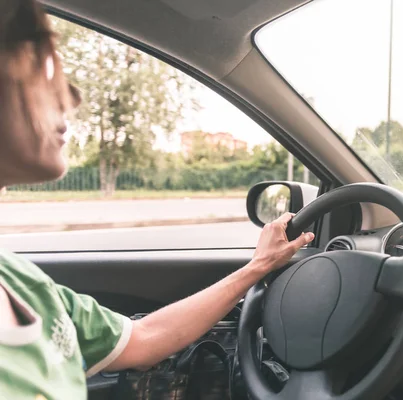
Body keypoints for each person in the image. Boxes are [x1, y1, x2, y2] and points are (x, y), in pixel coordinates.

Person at [0, 1, 315, 398]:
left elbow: (143, 339)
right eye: (40, 66)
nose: (72, 96)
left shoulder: (20, 281)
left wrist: (257, 267)